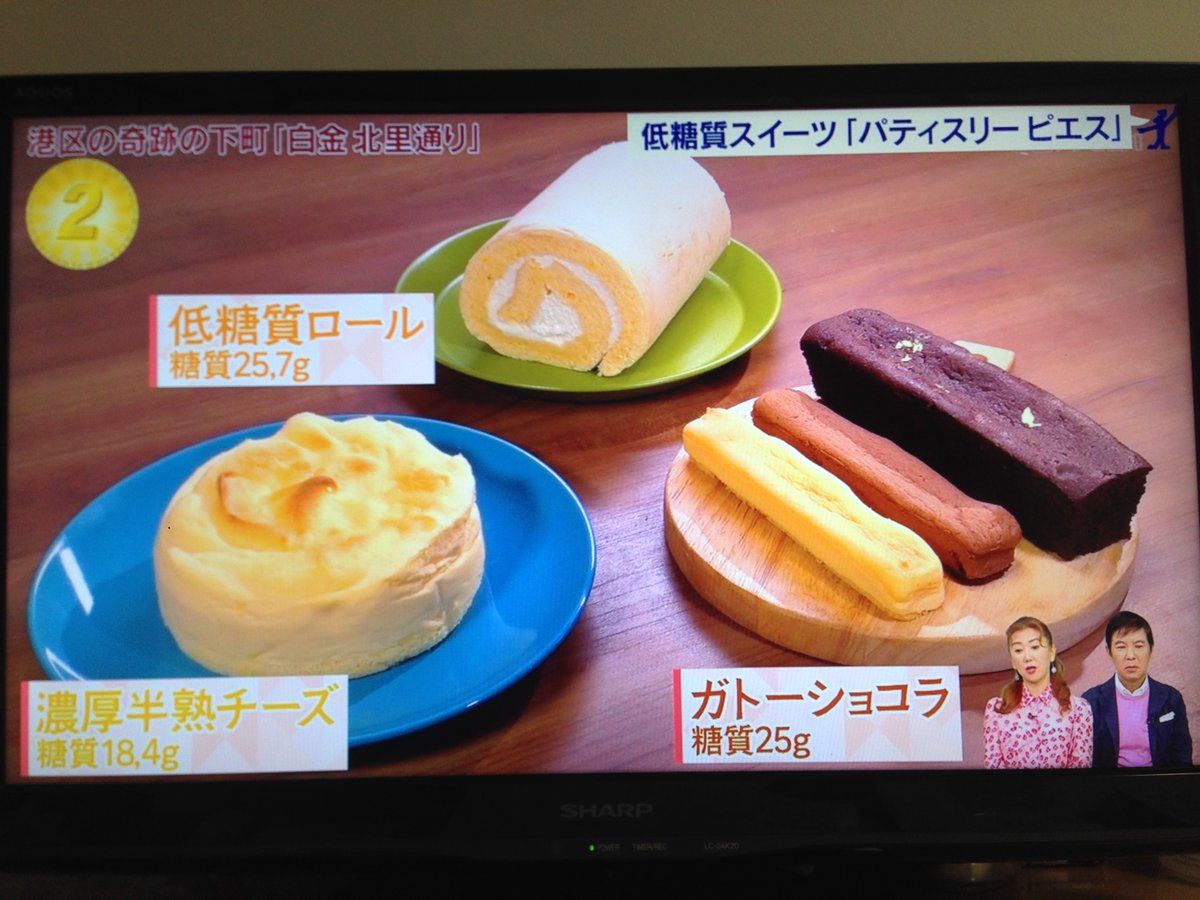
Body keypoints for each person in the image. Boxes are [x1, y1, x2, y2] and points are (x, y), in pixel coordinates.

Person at [1082, 610, 1193, 767]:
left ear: (1151, 648)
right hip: (1111, 781)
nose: (1130, 656)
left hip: (1159, 780)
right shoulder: (1091, 702)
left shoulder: (1171, 698)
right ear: (1109, 652)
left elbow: (1182, 757)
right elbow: (1087, 761)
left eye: (1139, 646)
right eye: (1121, 647)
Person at [984, 616, 1093, 769]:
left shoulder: (1079, 710)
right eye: (1018, 650)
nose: (1027, 657)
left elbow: (1080, 771)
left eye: (1034, 647)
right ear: (1013, 662)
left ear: (1051, 652)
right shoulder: (996, 710)